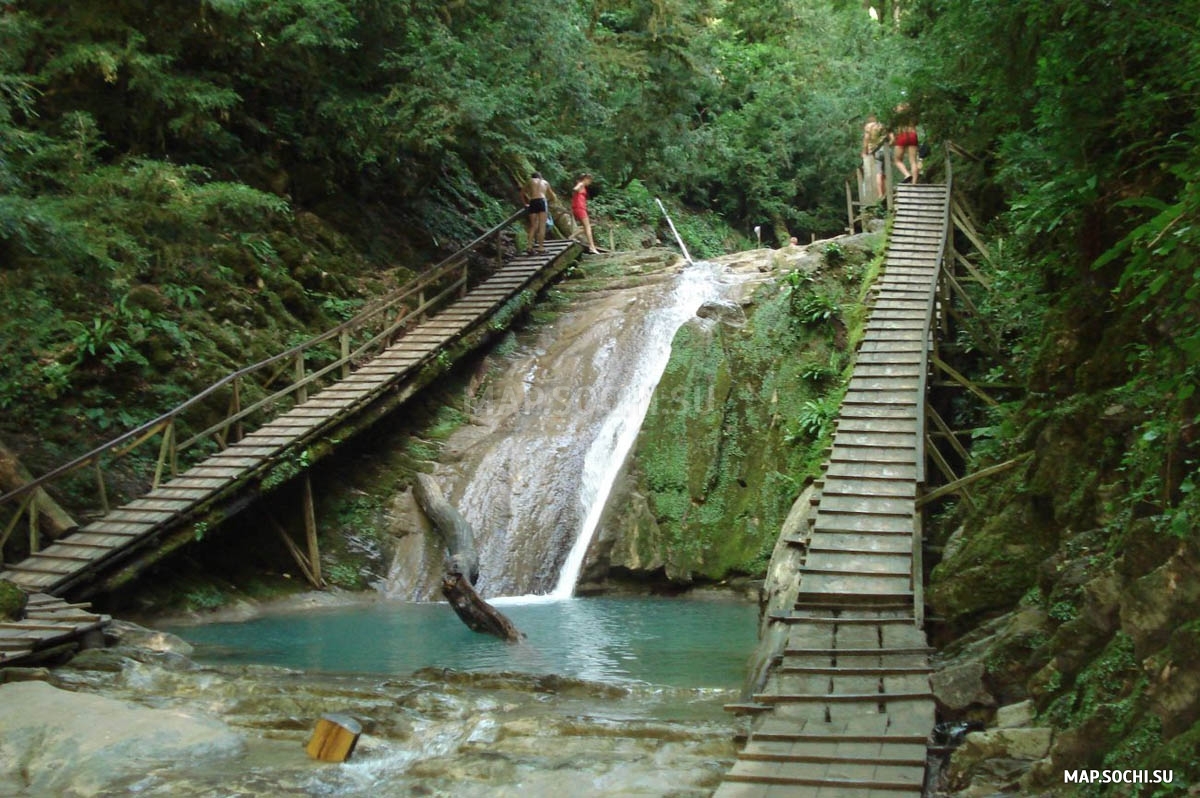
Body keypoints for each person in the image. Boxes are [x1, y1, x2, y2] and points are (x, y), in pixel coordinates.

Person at [520, 171, 556, 254]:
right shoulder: (545, 182)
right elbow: (553, 196)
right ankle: (540, 247)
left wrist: (525, 203)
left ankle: (529, 246)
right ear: (541, 177)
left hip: (532, 202)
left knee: (533, 226)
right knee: (542, 225)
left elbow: (522, 193)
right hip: (542, 201)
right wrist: (548, 201)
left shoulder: (530, 181)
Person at [571, 174, 600, 254]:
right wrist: (578, 188)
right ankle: (592, 247)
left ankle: (571, 237)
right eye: (589, 181)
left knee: (586, 227)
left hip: (579, 208)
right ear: (585, 179)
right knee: (588, 227)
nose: (589, 183)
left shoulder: (582, 185)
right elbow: (575, 189)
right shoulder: (581, 184)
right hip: (579, 208)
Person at [892, 103, 919, 185]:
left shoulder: (897, 117)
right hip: (912, 134)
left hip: (902, 135)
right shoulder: (912, 117)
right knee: (913, 161)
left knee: (897, 160)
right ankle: (914, 183)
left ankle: (907, 174)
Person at [861, 114, 887, 199]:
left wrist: (864, 152)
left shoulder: (869, 126)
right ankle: (886, 192)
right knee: (884, 173)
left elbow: (866, 139)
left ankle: (880, 194)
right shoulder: (881, 125)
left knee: (878, 173)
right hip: (885, 149)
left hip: (873, 152)